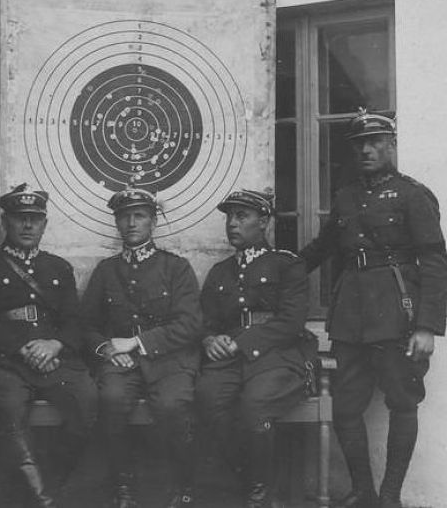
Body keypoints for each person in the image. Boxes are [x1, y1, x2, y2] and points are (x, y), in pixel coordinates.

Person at [299, 109, 447, 508]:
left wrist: (427, 326)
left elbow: (435, 261)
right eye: (360, 144)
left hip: (396, 313)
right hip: (351, 317)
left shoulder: (413, 195)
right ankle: (363, 492)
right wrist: (279, 269)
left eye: (376, 142)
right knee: (346, 407)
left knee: (403, 401)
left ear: (391, 145)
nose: (366, 150)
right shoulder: (346, 197)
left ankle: (390, 496)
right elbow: (322, 249)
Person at [0, 184, 97, 508]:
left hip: (52, 360)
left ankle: (55, 484)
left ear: (44, 224)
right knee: (11, 406)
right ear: (5, 222)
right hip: (1, 363)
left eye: (34, 219)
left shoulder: (58, 267)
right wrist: (22, 347)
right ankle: (41, 499)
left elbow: (74, 320)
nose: (27, 225)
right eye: (20, 218)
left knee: (88, 401)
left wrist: (55, 344)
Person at [82, 187, 202, 508]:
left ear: (153, 222)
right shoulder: (106, 270)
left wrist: (137, 343)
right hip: (120, 362)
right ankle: (123, 488)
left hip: (170, 360)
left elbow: (189, 325)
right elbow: (86, 325)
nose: (132, 223)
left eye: (140, 216)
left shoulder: (176, 267)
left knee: (173, 406)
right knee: (111, 399)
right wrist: (107, 349)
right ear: (117, 222)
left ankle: (183, 487)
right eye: (124, 216)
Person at [195, 189, 313, 508]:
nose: (232, 223)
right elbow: (205, 321)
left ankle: (260, 489)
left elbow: (291, 321)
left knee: (255, 403)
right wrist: (209, 340)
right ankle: (246, 477)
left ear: (263, 222)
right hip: (230, 359)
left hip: (277, 355)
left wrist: (242, 342)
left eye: (241, 216)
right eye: (229, 217)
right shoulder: (220, 271)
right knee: (206, 396)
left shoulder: (287, 264)